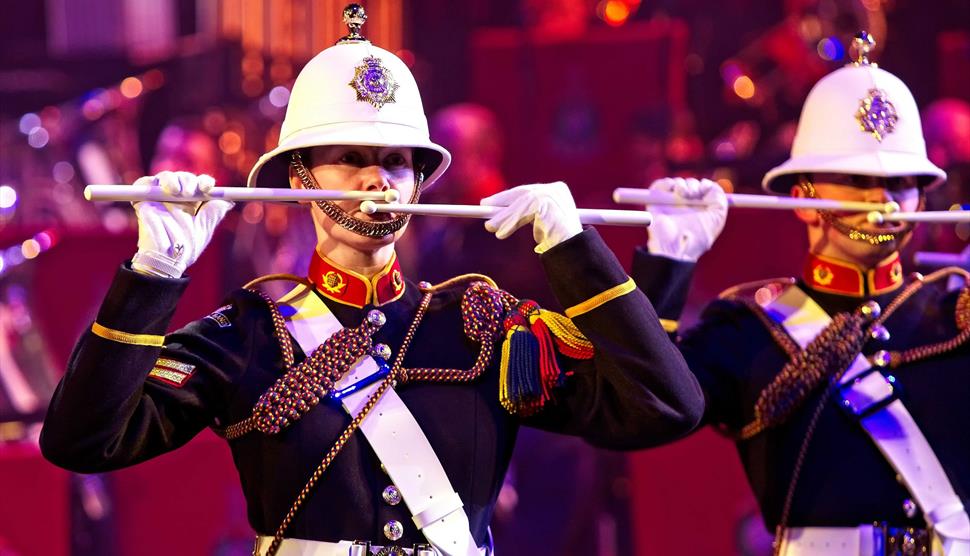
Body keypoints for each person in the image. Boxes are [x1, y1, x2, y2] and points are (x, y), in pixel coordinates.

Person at [39, 5, 704, 556]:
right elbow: (82, 442)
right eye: (350, 159)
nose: (377, 181)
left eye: (396, 162)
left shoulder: (484, 325)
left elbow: (664, 406)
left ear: (422, 182)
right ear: (300, 178)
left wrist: (577, 250)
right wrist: (156, 272)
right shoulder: (248, 336)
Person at [633, 33, 970, 555]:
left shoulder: (957, 316)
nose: (881, 199)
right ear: (803, 199)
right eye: (855, 180)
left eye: (902, 182)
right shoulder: (747, 330)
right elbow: (640, 411)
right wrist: (667, 267)